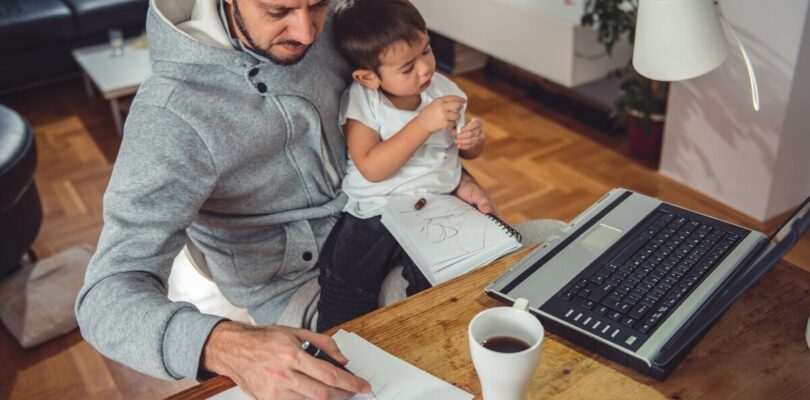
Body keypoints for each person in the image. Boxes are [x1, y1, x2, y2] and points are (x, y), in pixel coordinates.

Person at [74, 0, 500, 398]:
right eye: (279, 9)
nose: (308, 31)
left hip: (393, 214)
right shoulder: (171, 116)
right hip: (307, 287)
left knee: (527, 260)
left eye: (317, 4)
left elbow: (393, 110)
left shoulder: (336, 25)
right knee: (469, 322)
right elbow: (105, 296)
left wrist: (455, 173)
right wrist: (221, 344)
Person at [315, 0, 488, 332]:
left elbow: (467, 154)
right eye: (407, 68)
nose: (425, 68)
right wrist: (422, 124)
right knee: (345, 285)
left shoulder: (444, 90)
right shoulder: (364, 102)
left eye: (426, 50)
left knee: (437, 285)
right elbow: (371, 167)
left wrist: (475, 140)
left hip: (436, 206)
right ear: (368, 77)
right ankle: (339, 350)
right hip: (374, 211)